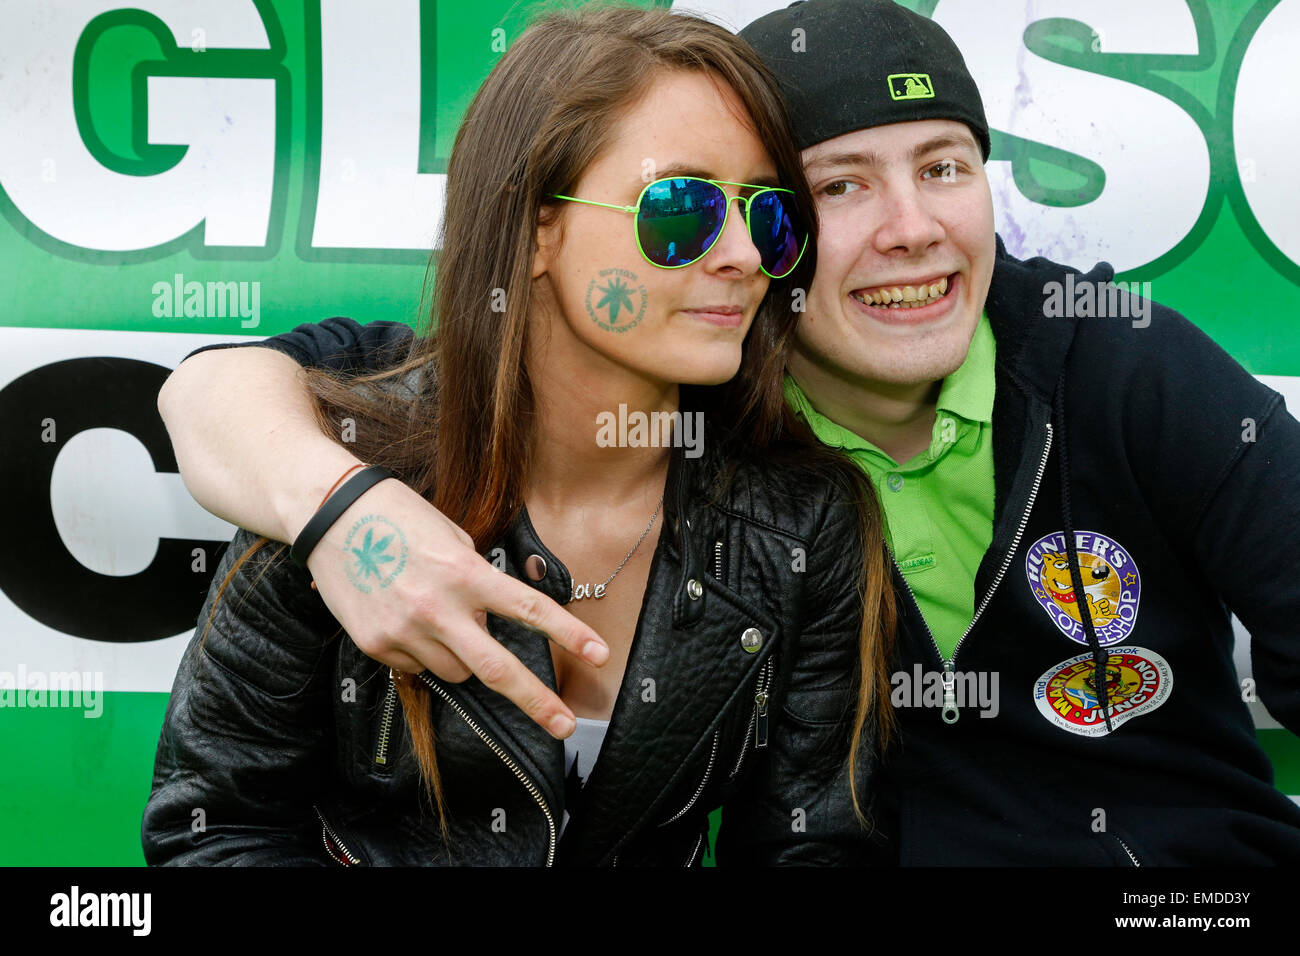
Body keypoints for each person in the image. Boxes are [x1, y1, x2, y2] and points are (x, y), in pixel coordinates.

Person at [157, 0, 1300, 865]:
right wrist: (342, 511)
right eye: (837, 187)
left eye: (944, 168)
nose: (911, 229)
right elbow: (231, 393)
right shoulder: (365, 443)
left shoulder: (1099, 368)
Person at [142, 3, 899, 867]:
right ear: (539, 225)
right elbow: (214, 834)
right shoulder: (334, 463)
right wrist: (341, 516)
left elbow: (817, 849)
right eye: (680, 207)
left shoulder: (805, 523)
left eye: (766, 213)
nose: (741, 254)